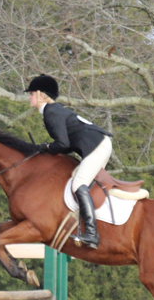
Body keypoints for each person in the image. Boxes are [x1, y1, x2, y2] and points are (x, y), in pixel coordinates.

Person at [25, 74, 113, 249]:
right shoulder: (54, 111)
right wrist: (47, 149)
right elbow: (65, 144)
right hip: (97, 143)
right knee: (82, 183)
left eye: (32, 93)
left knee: (78, 184)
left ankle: (92, 234)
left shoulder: (51, 112)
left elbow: (62, 144)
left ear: (42, 95)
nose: (29, 96)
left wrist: (45, 147)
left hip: (97, 146)